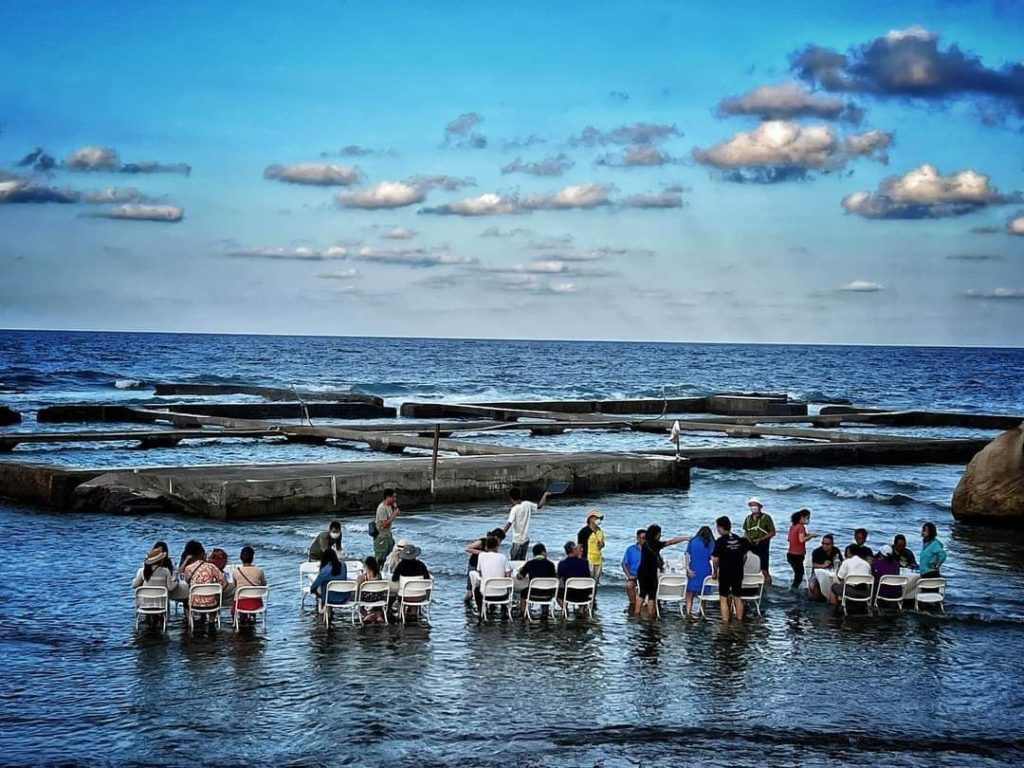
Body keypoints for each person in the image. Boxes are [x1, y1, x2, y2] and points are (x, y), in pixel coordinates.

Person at [636, 524, 690, 619]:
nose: (660, 536)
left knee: (642, 593)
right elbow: (671, 542)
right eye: (659, 534)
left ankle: (636, 614)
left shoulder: (645, 544)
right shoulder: (657, 544)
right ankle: (650, 617)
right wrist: (685, 538)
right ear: (656, 534)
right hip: (651, 573)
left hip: (642, 572)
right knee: (652, 595)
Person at [712, 516, 751, 623]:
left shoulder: (720, 541)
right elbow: (745, 556)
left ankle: (725, 622)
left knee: (723, 597)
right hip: (738, 572)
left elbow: (715, 560)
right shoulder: (739, 539)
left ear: (720, 528)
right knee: (737, 597)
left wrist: (715, 572)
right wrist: (740, 565)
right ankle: (739, 620)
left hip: (725, 572)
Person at [180, 540, 227, 616]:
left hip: (194, 603)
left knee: (186, 600)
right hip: (211, 603)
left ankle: (189, 620)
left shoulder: (188, 568)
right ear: (202, 554)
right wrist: (217, 592)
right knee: (214, 600)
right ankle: (212, 620)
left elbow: (184, 579)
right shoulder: (212, 567)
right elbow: (225, 583)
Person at [503, 487, 550, 561]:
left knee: (514, 561)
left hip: (517, 540)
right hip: (526, 539)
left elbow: (509, 523)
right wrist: (545, 495)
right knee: (522, 561)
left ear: (511, 498)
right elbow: (540, 506)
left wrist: (501, 534)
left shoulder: (514, 509)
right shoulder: (527, 504)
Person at [132, 546, 176, 621]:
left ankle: (150, 622)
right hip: (160, 605)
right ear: (160, 560)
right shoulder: (165, 571)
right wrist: (176, 582)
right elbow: (170, 587)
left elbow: (134, 585)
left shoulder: (142, 571)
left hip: (145, 605)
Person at [464, 528, 506, 602]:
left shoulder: (495, 545)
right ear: (496, 537)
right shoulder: (482, 541)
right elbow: (468, 549)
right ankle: (466, 604)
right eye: (500, 539)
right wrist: (482, 553)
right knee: (470, 590)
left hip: (485, 566)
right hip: (474, 563)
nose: (500, 542)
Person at [742, 498, 775, 586]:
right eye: (751, 505)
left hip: (762, 545)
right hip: (750, 544)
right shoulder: (748, 518)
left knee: (764, 569)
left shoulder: (766, 518)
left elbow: (772, 532)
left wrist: (761, 539)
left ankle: (768, 587)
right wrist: (747, 539)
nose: (753, 507)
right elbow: (746, 531)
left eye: (755, 505)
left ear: (760, 506)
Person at [518, 543, 557, 617]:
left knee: (523, 592)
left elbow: (519, 577)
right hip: (547, 595)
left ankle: (522, 612)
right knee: (546, 587)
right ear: (543, 552)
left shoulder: (529, 563)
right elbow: (554, 579)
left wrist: (520, 571)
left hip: (532, 594)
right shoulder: (550, 564)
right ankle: (545, 611)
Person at [474, 535, 512, 612]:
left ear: (486, 546)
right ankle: (504, 611)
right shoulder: (503, 557)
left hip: (486, 594)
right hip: (502, 595)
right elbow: (508, 575)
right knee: (507, 587)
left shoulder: (481, 556)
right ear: (497, 546)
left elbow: (480, 573)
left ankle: (481, 610)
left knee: (476, 589)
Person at [684, 526, 715, 618]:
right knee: (703, 594)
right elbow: (714, 558)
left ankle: (688, 613)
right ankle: (702, 612)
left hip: (693, 569)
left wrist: (687, 568)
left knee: (689, 595)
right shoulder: (711, 543)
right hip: (705, 570)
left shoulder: (692, 541)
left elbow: (686, 554)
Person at [786, 509, 818, 591]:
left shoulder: (793, 526)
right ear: (802, 517)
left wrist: (807, 534)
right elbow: (801, 540)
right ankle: (793, 589)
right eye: (807, 517)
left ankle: (793, 588)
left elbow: (790, 539)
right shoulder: (801, 527)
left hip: (790, 554)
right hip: (797, 555)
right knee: (799, 574)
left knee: (798, 574)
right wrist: (811, 536)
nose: (808, 520)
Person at [231, 545, 267, 615]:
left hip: (240, 604)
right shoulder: (259, 570)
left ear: (241, 558)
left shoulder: (235, 571)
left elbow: (235, 586)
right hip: (256, 604)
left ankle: (240, 620)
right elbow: (264, 584)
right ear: (253, 557)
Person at [577, 510, 606, 594]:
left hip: (598, 560)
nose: (598, 520)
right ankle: (585, 598)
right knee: (587, 581)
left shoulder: (600, 531)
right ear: (591, 519)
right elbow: (579, 546)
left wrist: (601, 544)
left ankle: (593, 599)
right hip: (588, 559)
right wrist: (580, 560)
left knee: (596, 582)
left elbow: (602, 544)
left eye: (599, 518)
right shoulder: (584, 532)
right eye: (596, 518)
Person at [557, 541, 592, 608]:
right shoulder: (584, 562)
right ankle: (581, 608)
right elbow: (588, 577)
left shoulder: (562, 564)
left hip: (569, 595)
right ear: (574, 550)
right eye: (576, 548)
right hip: (584, 594)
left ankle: (564, 608)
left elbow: (558, 578)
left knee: (556, 592)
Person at [808, 534, 842, 601]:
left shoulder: (836, 551)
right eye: (823, 543)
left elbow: (841, 562)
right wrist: (823, 565)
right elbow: (814, 565)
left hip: (832, 572)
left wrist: (837, 561)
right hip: (818, 572)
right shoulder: (817, 551)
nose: (825, 546)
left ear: (832, 544)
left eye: (827, 544)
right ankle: (817, 600)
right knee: (812, 585)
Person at [621, 529, 646, 614]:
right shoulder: (630, 549)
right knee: (629, 585)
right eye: (642, 538)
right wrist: (628, 575)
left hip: (646, 576)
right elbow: (624, 564)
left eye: (645, 538)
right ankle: (633, 603)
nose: (644, 540)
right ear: (637, 538)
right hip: (634, 575)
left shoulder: (650, 549)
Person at [373, 488, 400, 566]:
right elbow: (385, 524)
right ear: (388, 497)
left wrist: (395, 508)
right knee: (380, 558)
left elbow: (394, 515)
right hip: (381, 537)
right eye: (393, 497)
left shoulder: (389, 506)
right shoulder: (382, 508)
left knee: (389, 553)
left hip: (388, 535)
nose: (395, 499)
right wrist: (394, 514)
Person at [357, 556, 386, 624]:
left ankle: (366, 615)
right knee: (377, 601)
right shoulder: (379, 575)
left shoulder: (364, 576)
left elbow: (357, 586)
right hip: (378, 598)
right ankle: (378, 616)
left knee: (359, 602)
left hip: (367, 599)